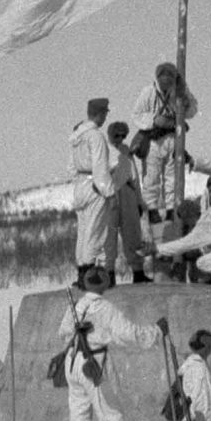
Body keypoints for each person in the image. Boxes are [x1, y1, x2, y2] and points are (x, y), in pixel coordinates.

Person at [58, 266, 168, 421]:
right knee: (111, 415)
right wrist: (157, 331)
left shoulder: (76, 305)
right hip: (93, 362)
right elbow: (130, 334)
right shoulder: (105, 308)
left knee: (78, 415)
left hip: (72, 361)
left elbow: (63, 332)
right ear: (105, 284)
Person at [132, 62, 198, 278]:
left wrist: (183, 97)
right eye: (163, 76)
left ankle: (170, 219)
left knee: (172, 182)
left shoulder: (179, 91)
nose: (167, 80)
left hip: (172, 139)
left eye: (171, 76)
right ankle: (153, 219)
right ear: (158, 77)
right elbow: (136, 114)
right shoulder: (148, 92)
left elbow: (192, 110)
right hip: (153, 141)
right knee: (151, 183)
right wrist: (154, 120)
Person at [68, 98, 116, 287]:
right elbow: (100, 166)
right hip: (94, 185)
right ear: (101, 113)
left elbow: (71, 167)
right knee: (94, 232)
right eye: (105, 113)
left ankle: (81, 271)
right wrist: (109, 192)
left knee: (83, 231)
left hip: (80, 185)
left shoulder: (77, 136)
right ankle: (87, 274)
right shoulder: (95, 136)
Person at [104, 122, 149, 284]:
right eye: (117, 135)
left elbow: (134, 175)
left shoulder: (126, 151)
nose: (120, 138)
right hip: (110, 193)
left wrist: (138, 200)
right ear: (110, 135)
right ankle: (108, 273)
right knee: (109, 235)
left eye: (123, 135)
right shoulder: (104, 150)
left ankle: (138, 271)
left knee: (133, 232)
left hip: (128, 191)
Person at [178, 329, 211, 421]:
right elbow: (201, 399)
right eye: (210, 346)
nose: (210, 349)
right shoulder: (199, 367)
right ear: (206, 347)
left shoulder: (192, 364)